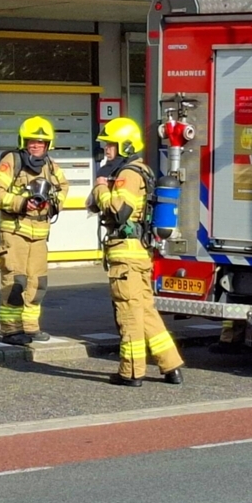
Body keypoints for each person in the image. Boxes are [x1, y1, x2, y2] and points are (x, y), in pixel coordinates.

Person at [89, 117, 184, 387]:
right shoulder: (142, 170)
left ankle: (131, 372)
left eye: (110, 145)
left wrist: (99, 187)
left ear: (125, 146)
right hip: (140, 253)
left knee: (128, 313)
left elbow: (119, 212)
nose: (106, 149)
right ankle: (171, 365)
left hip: (126, 256)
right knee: (146, 312)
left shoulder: (127, 174)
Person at [0, 116, 69, 345]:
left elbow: (64, 187)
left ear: (48, 145)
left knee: (38, 282)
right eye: (33, 142)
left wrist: (53, 204)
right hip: (14, 234)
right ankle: (11, 330)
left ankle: (31, 327)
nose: (37, 146)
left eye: (41, 142)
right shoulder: (11, 161)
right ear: (24, 141)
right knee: (16, 282)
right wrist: (22, 203)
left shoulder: (50, 165)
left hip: (40, 235)